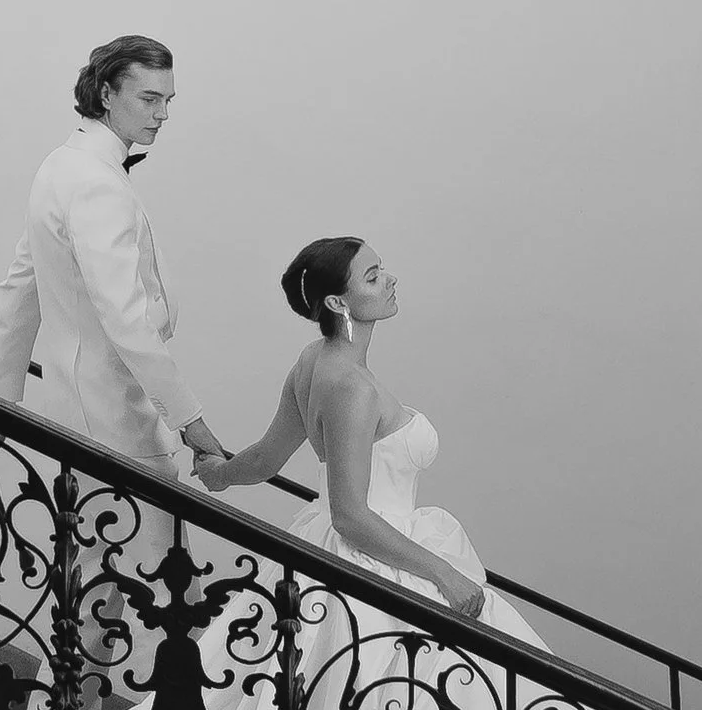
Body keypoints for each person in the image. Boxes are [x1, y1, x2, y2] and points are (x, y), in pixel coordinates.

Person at [200, 234, 540, 645]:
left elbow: (267, 459)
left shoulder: (312, 360)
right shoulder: (351, 388)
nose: (391, 280)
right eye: (373, 278)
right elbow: (350, 516)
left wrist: (220, 475)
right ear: (337, 303)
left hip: (335, 537)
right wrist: (444, 573)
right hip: (370, 552)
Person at [0, 35, 227, 478]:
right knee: (149, 547)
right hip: (117, 419)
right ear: (106, 93)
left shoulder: (61, 164)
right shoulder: (96, 182)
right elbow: (126, 319)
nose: (162, 114)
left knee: (96, 545)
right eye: (149, 98)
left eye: (167, 100)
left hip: (78, 411)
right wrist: (190, 420)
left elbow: (20, 290)